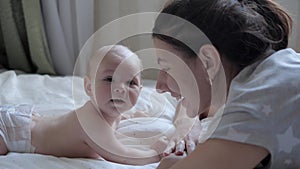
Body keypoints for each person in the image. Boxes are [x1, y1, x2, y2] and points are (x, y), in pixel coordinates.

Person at [152, 0, 300, 168]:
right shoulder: (271, 75)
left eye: (167, 67)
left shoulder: (260, 97)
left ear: (208, 61)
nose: (159, 86)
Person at [0, 45, 167, 165]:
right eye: (109, 79)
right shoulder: (91, 120)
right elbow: (121, 154)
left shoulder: (108, 113)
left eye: (131, 82)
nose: (120, 89)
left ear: (141, 89)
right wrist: (154, 153)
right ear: (88, 87)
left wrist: (135, 116)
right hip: (11, 133)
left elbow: (117, 117)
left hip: (24, 120)